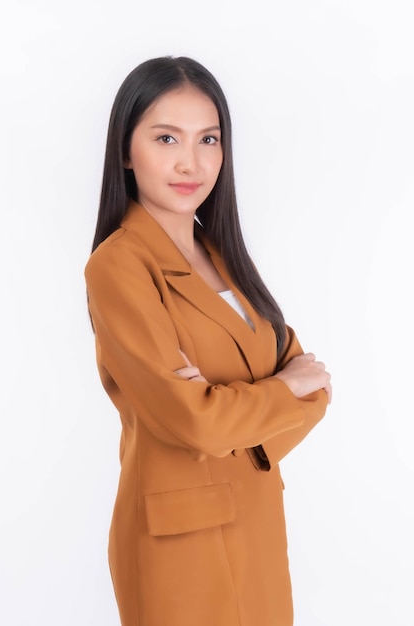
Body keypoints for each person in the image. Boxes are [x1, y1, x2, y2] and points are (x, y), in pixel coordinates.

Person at [84, 55, 332, 626]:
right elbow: (193, 422)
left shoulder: (222, 255)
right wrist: (276, 392)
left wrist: (236, 408)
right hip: (180, 545)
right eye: (166, 137)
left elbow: (313, 388)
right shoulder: (117, 267)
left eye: (209, 139)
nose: (190, 162)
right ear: (126, 149)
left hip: (258, 523)